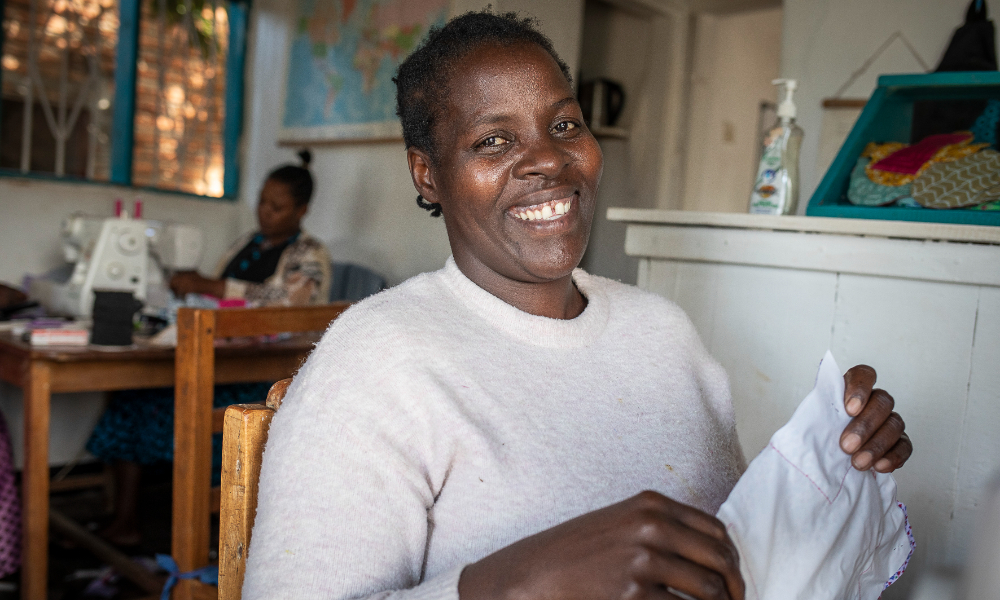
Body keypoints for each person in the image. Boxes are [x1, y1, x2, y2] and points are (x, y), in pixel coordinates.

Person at [242, 12, 912, 600]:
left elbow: (731, 553)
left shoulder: (664, 334)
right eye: (493, 141)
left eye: (564, 124)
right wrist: (518, 583)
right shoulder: (377, 360)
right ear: (428, 174)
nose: (548, 160)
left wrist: (828, 465)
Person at [86, 151, 331, 546]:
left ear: (301, 211)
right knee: (130, 395)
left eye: (277, 207)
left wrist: (211, 287)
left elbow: (291, 302)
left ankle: (158, 524)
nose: (265, 213)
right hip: (217, 361)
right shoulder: (243, 244)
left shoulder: (309, 254)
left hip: (260, 379)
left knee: (141, 404)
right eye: (262, 202)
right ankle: (126, 520)